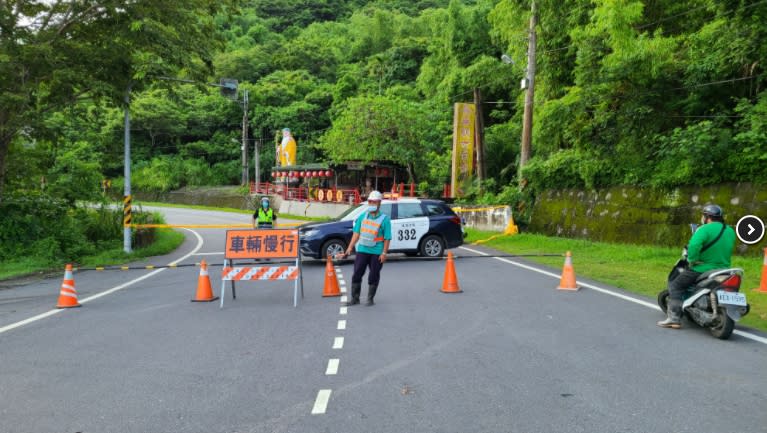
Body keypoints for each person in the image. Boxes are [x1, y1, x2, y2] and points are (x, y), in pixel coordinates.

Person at [658, 204, 736, 329]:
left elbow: (694, 247)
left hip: (702, 268)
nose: (702, 218)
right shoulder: (730, 231)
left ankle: (673, 318)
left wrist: (691, 260)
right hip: (724, 269)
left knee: (676, 285)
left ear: (707, 217)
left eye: (703, 215)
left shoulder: (704, 229)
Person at [339, 191, 391, 306]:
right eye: (370, 201)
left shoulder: (385, 219)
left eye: (374, 202)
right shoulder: (362, 217)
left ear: (379, 203)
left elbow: (387, 238)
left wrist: (384, 253)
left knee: (373, 275)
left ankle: (370, 299)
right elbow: (356, 234)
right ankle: (355, 299)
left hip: (377, 251)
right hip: (362, 249)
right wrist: (349, 247)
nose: (372, 204)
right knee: (357, 273)